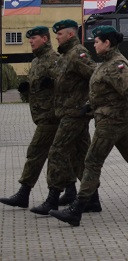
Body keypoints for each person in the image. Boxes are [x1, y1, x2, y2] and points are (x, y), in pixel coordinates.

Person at [48, 26, 128, 226]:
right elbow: (105, 93)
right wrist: (87, 107)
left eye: (97, 41)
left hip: (112, 122)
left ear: (107, 43)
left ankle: (77, 208)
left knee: (92, 161)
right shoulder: (105, 64)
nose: (93, 45)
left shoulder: (117, 65)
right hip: (112, 120)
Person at [30, 20, 94, 216]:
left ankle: (52, 199)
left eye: (59, 34)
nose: (56, 37)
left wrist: (89, 102)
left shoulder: (77, 54)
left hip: (74, 113)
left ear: (70, 35)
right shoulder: (66, 55)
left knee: (57, 152)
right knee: (82, 157)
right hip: (69, 112)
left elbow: (96, 76)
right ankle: (93, 199)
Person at [1, 26, 61, 208]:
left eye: (33, 38)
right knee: (63, 155)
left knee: (35, 153)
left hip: (51, 116)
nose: (31, 42)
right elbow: (38, 90)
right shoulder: (36, 62)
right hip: (40, 115)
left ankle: (24, 192)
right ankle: (74, 192)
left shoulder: (55, 60)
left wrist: (53, 83)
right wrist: (26, 90)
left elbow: (66, 85)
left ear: (44, 38)